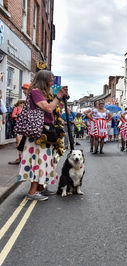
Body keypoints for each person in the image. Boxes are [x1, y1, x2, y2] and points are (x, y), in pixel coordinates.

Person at [17, 70, 69, 201]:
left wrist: (62, 96)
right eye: (50, 80)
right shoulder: (35, 92)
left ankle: (40, 188)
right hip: (38, 133)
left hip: (44, 131)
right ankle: (32, 192)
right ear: (44, 81)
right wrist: (58, 96)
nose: (52, 82)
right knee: (38, 161)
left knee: (43, 160)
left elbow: (56, 107)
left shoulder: (44, 93)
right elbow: (49, 108)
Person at [8, 99, 26, 165]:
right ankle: (20, 158)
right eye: (22, 103)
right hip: (17, 125)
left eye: (24, 103)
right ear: (19, 103)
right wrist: (19, 116)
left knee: (22, 142)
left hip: (23, 126)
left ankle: (22, 158)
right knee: (18, 142)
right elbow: (13, 115)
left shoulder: (25, 109)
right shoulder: (16, 108)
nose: (23, 104)